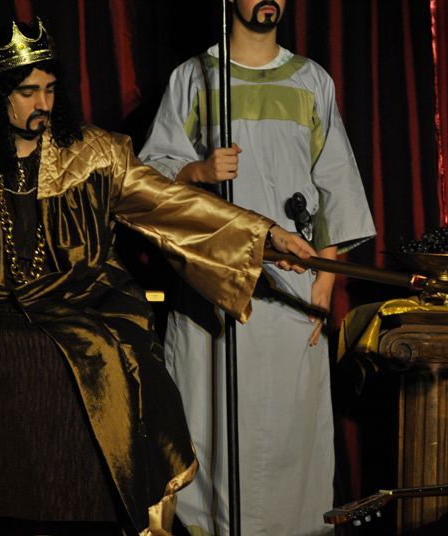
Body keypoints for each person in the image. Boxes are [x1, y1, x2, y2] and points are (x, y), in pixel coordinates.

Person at [0, 18, 316, 536]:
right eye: (27, 92)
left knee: (102, 353)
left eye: (50, 89)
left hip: (85, 299)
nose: (42, 103)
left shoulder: (94, 154)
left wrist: (265, 235)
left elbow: (171, 204)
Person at [139, 1, 376, 534]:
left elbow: (335, 184)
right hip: (214, 287)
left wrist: (326, 281)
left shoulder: (311, 80)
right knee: (214, 424)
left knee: (290, 429)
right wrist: (197, 171)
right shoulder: (195, 77)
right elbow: (148, 179)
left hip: (293, 287)